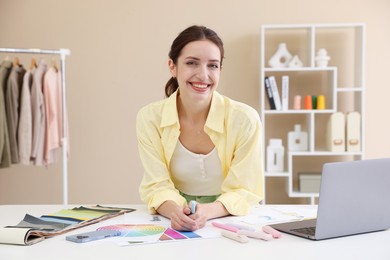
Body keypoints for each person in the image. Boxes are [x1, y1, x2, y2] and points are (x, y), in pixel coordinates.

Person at [136, 25, 263, 231]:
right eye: (192, 63)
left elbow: (245, 190)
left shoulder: (244, 119)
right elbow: (156, 185)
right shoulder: (149, 118)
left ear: (220, 69)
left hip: (229, 219)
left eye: (212, 65)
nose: (203, 75)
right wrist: (176, 212)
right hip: (173, 217)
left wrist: (207, 211)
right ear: (172, 66)